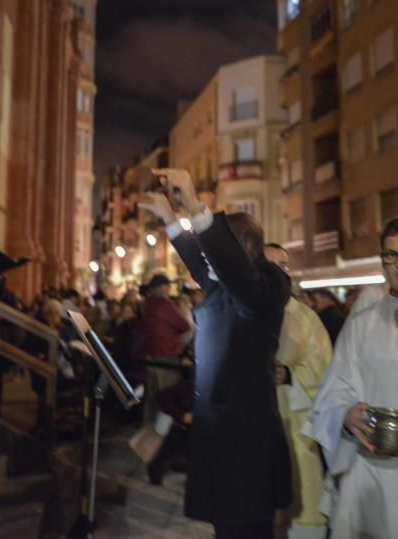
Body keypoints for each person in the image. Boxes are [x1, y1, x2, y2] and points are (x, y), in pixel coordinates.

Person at [139, 168, 291, 539]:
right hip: (221, 440)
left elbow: (230, 268)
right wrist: (170, 217)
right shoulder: (225, 284)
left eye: (217, 253)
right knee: (227, 529)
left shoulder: (267, 288)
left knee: (246, 531)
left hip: (245, 449)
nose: (205, 265)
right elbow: (200, 259)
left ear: (241, 254)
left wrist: (193, 202)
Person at [306, 217, 398, 539]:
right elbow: (332, 392)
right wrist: (346, 414)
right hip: (365, 473)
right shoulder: (361, 325)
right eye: (391, 255)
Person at [264, 243, 332, 539]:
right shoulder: (244, 312)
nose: (279, 270)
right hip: (259, 428)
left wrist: (291, 375)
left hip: (298, 425)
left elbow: (327, 371)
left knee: (301, 502)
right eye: (271, 263)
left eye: (283, 264)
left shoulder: (306, 318)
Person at [138, 273, 191, 423]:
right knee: (168, 395)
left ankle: (148, 430)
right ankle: (163, 436)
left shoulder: (149, 304)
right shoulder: (164, 304)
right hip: (166, 354)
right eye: (168, 286)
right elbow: (184, 325)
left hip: (151, 354)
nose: (170, 289)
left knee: (153, 396)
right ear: (162, 287)